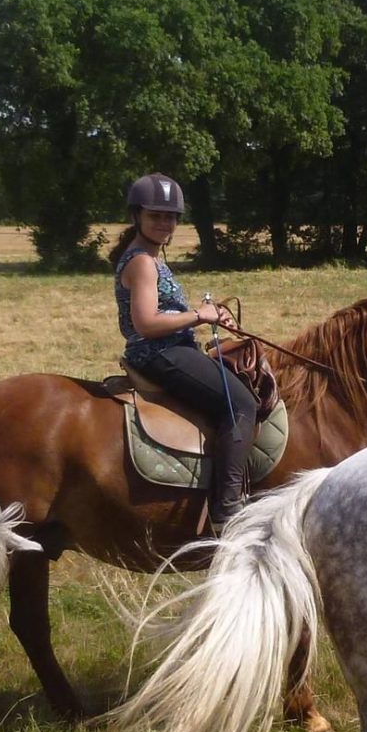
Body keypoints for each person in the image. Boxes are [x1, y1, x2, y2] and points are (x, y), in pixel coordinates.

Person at [112, 173, 257, 532]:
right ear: (137, 215)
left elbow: (164, 309)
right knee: (240, 404)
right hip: (159, 353)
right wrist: (198, 315)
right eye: (155, 215)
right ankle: (227, 511)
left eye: (170, 216)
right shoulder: (143, 262)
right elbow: (146, 323)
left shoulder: (149, 257)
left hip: (169, 347)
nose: (164, 222)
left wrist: (210, 316)